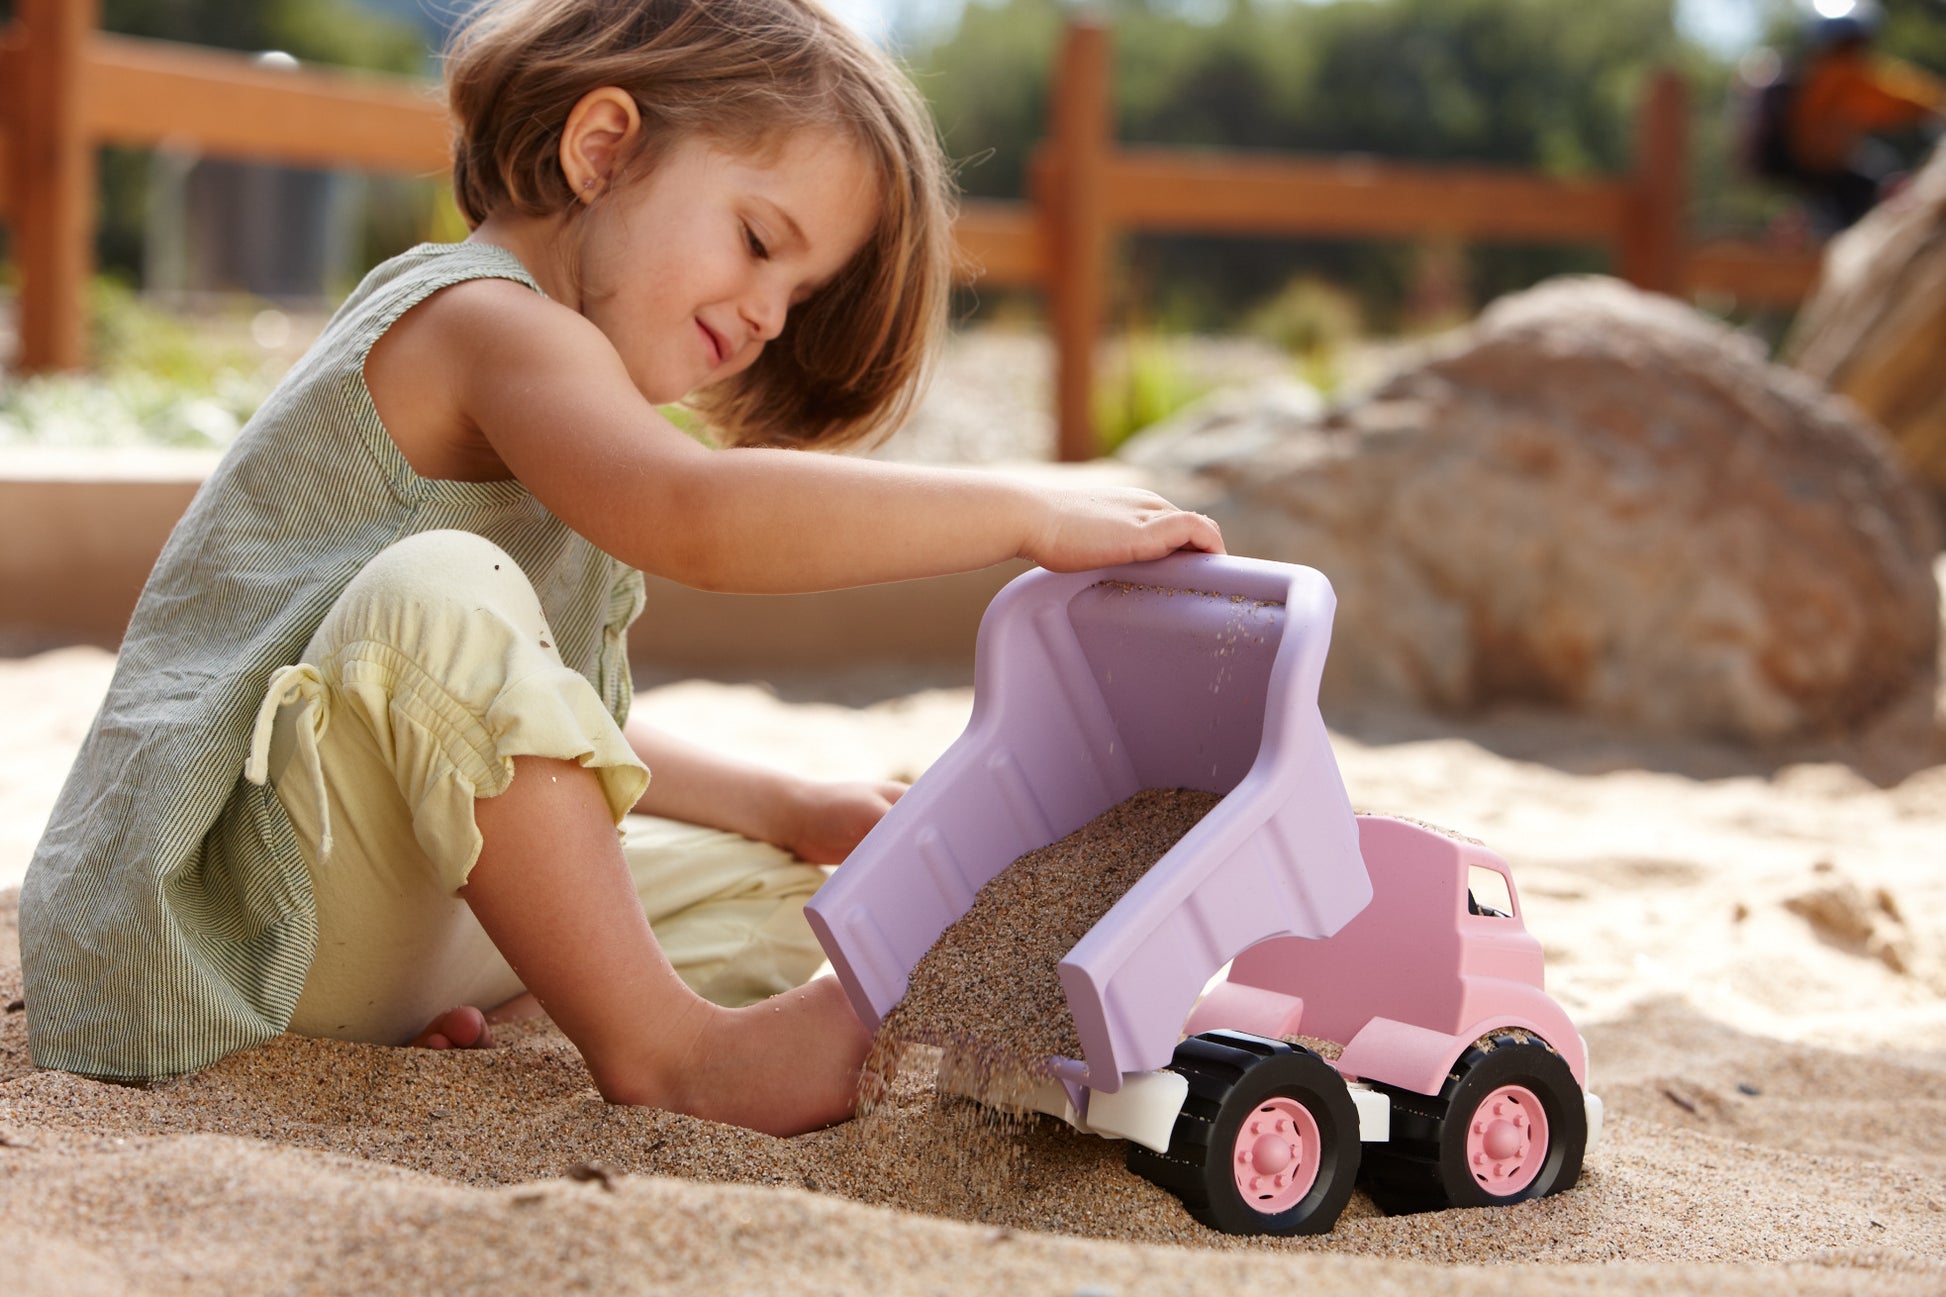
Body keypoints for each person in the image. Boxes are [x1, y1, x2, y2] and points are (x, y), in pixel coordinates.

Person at [18, 0, 1222, 1139]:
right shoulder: (484, 322)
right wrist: (1021, 508)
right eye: (758, 243)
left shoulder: (566, 392)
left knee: (783, 893)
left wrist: (788, 806)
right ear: (602, 150)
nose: (764, 315)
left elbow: (555, 727)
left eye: (796, 299)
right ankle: (674, 1053)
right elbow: (695, 514)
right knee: (435, 590)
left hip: (343, 924)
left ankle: (533, 996)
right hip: (213, 926)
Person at [1783, 13, 1945, 231]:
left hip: (1810, 163)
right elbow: (1900, 96)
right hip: (1829, 163)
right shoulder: (1847, 73)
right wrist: (1937, 105)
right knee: (1886, 176)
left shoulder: (1816, 72)